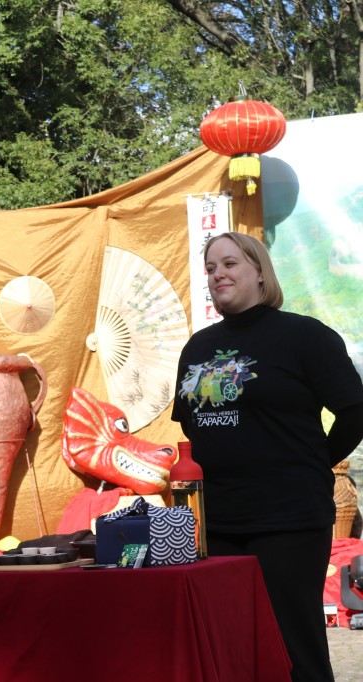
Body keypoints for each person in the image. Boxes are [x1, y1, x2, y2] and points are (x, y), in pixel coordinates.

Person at [172, 232, 363, 682]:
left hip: (288, 519)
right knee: (228, 646)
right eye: (211, 267)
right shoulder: (198, 347)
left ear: (260, 272)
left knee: (293, 648)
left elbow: (355, 410)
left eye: (230, 263)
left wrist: (317, 461)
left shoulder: (304, 336)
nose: (219, 273)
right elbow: (189, 422)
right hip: (215, 523)